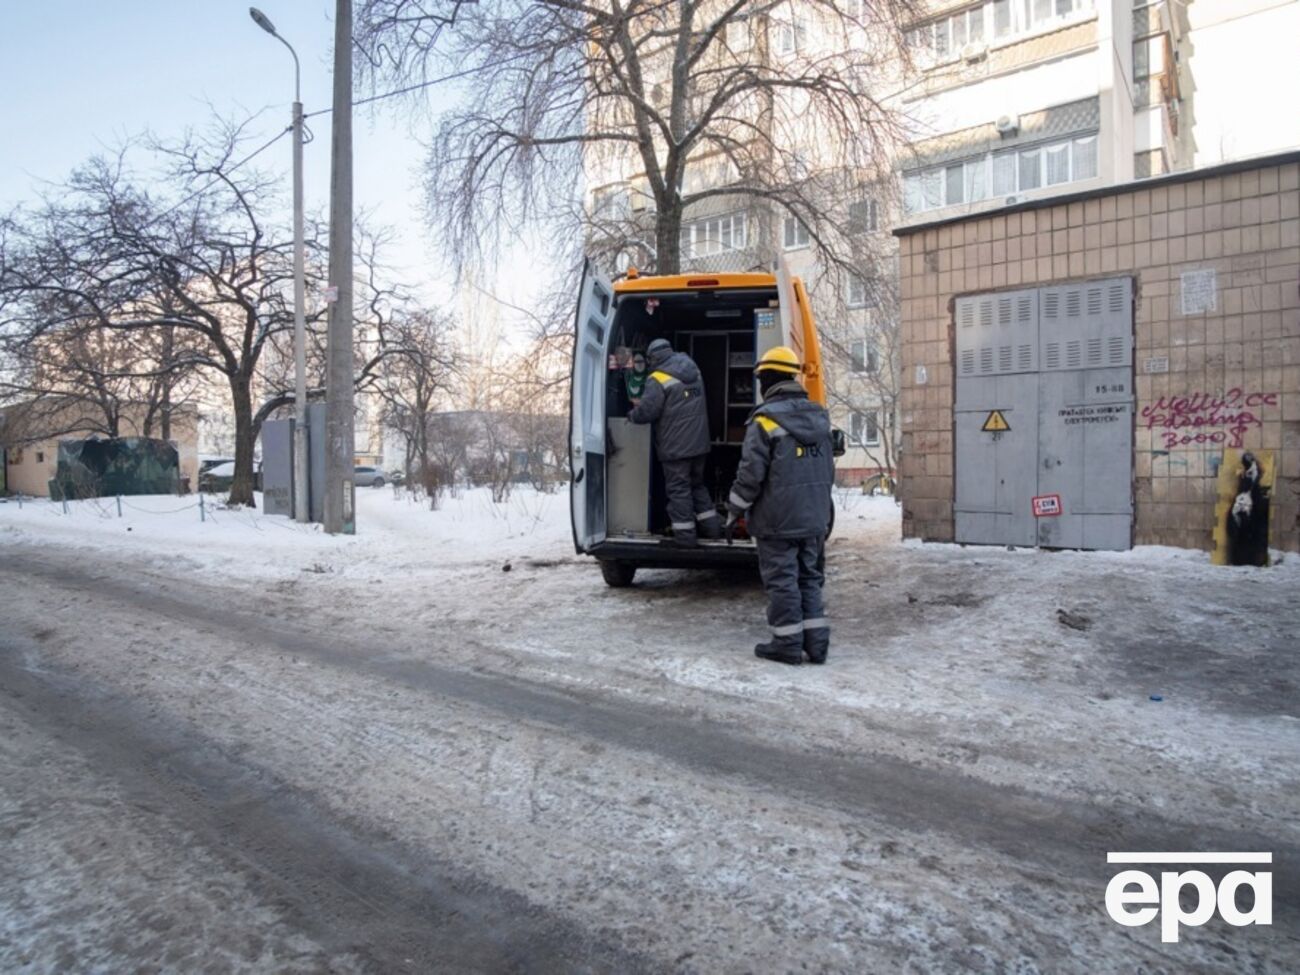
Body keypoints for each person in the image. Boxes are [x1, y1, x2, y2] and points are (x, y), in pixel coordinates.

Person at [726, 345, 834, 665]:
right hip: (813, 519)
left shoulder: (765, 421)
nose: (760, 385)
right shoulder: (819, 418)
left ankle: (786, 644)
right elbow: (828, 472)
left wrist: (733, 510)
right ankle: (817, 644)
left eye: (762, 378)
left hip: (777, 521)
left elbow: (750, 475)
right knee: (809, 578)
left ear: (770, 379)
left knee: (782, 580)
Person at [629, 338, 721, 546]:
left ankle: (686, 538)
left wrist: (632, 415)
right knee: (697, 485)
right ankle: (713, 529)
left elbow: (648, 412)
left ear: (653, 358)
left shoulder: (657, 378)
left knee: (679, 491)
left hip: (676, 448)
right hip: (699, 444)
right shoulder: (693, 369)